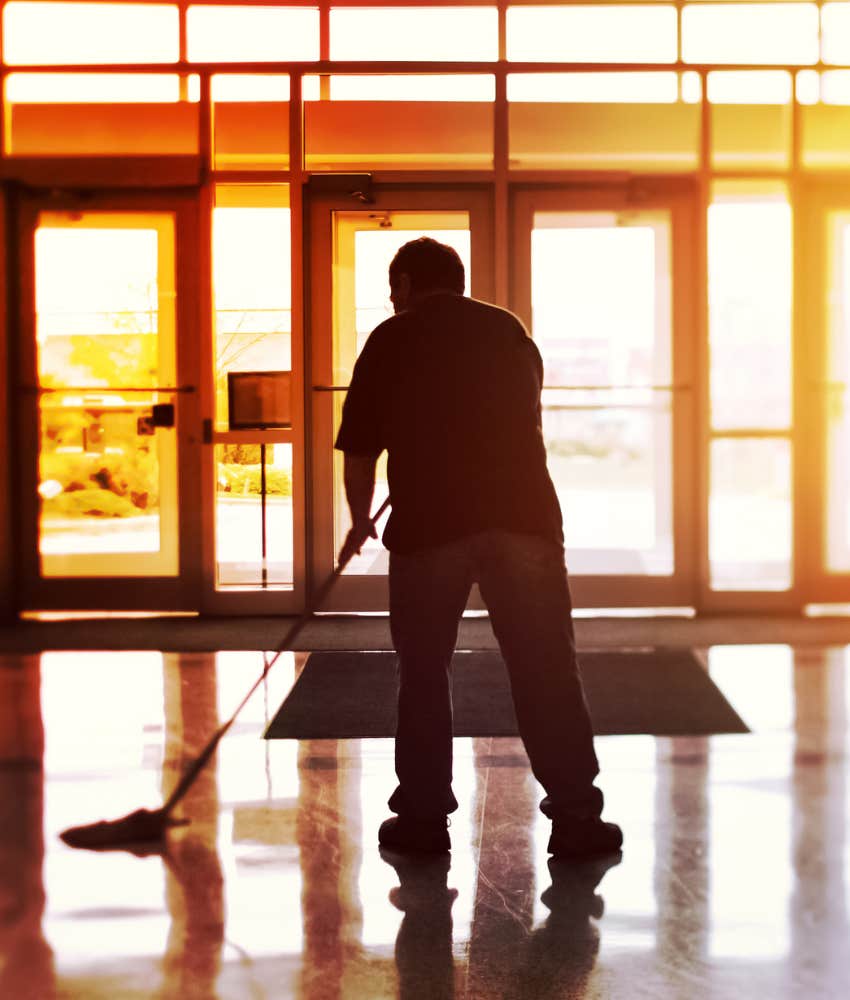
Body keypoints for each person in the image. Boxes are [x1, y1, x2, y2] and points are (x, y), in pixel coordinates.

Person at [334, 237, 622, 859]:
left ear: (406, 285)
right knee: (547, 668)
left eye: (393, 288)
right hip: (523, 519)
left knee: (423, 672)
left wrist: (359, 519)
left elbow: (359, 447)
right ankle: (577, 817)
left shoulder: (391, 338)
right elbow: (520, 417)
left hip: (429, 527)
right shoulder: (509, 331)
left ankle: (422, 818)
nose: (392, 298)